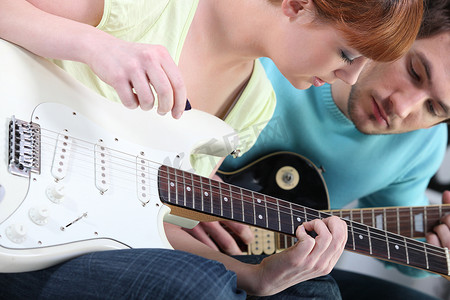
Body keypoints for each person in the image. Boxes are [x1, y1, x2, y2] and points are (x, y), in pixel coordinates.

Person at [0, 0, 424, 298]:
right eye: (347, 54)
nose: (349, 79)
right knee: (200, 290)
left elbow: (144, 224)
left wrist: (255, 276)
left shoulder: (255, 104)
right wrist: (96, 46)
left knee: (314, 292)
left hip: (68, 241)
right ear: (297, 4)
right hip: (15, 215)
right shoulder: (153, 6)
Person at [186, 0, 450, 298]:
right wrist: (189, 182)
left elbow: (401, 234)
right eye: (414, 71)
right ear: (393, 35)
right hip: (176, 213)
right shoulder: (284, 41)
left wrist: (436, 250)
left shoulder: (423, 147)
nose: (402, 108)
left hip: (276, 258)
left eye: (433, 108)